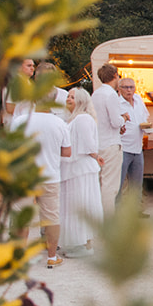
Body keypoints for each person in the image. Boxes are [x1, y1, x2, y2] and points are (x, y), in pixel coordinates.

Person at [24, 96, 72, 267]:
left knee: (21, 216)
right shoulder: (59, 123)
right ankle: (52, 257)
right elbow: (67, 152)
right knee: (51, 217)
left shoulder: (20, 121)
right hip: (50, 175)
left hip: (25, 175)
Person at [59, 88, 102, 259]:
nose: (68, 99)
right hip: (73, 168)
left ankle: (83, 242)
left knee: (80, 203)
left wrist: (96, 156)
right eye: (68, 96)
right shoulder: (73, 119)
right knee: (72, 204)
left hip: (81, 169)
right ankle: (75, 242)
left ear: (81, 101)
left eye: (72, 97)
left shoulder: (83, 118)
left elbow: (89, 144)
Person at [92, 64, 127, 217]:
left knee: (100, 183)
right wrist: (124, 118)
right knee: (110, 186)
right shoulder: (111, 95)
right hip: (111, 144)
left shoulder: (95, 94)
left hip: (98, 142)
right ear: (114, 76)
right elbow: (115, 121)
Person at [115, 76, 148, 203]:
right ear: (119, 89)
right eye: (125, 87)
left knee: (137, 183)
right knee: (119, 182)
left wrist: (147, 128)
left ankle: (135, 209)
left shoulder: (138, 100)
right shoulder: (117, 103)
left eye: (131, 87)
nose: (129, 90)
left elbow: (145, 117)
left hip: (138, 147)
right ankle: (117, 209)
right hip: (123, 147)